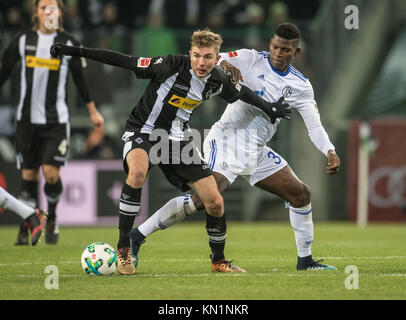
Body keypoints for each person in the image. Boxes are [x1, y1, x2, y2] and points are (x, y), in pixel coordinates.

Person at [50, 28, 291, 275]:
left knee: (214, 201)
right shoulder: (170, 65)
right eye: (197, 55)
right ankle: (123, 248)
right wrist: (74, 51)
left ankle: (218, 261)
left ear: (216, 57)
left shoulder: (217, 79)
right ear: (190, 53)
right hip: (143, 132)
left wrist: (270, 109)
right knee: (137, 172)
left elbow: (242, 93)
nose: (201, 62)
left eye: (208, 57)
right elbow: (123, 60)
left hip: (177, 140)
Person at [129, 23, 341, 272]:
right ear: (270, 44)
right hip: (227, 140)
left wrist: (329, 150)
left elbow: (314, 127)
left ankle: (305, 261)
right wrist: (224, 63)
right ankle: (138, 235)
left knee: (301, 194)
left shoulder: (301, 86)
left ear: (296, 52)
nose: (277, 53)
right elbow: (214, 60)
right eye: (274, 46)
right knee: (206, 198)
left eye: (285, 50)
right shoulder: (250, 58)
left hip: (256, 151)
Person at [0, 0, 104, 245]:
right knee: (28, 176)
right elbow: (4, 70)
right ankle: (27, 225)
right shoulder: (22, 40)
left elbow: (80, 78)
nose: (48, 11)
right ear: (35, 12)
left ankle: (53, 218)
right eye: (43, 6)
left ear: (60, 12)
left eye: (53, 6)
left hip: (56, 121)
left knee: (51, 173)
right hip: (26, 121)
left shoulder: (69, 43)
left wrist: (92, 111)